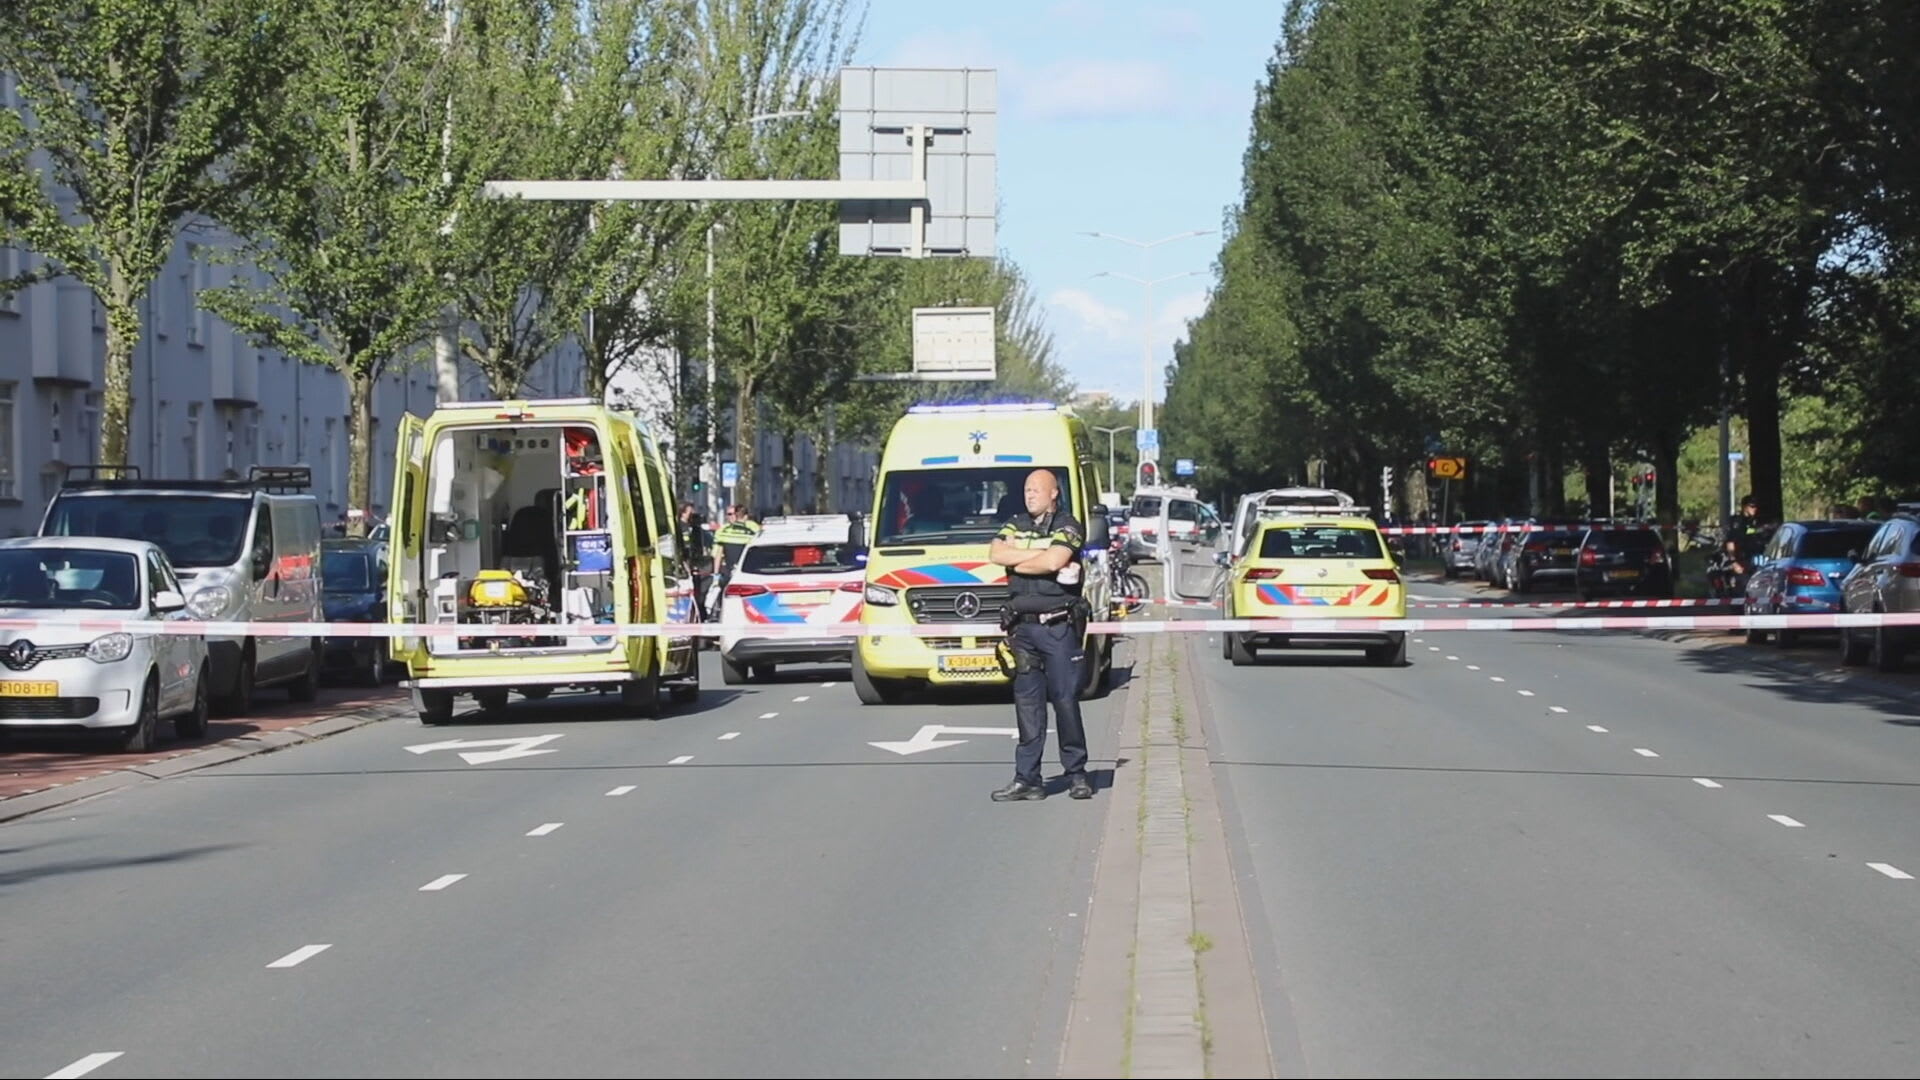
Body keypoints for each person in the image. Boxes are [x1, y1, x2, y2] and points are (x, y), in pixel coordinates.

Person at [987, 469, 1093, 802]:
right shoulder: (1014, 523)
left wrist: (1026, 559)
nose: (1029, 495)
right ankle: (1027, 779)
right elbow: (995, 554)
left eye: (1036, 490)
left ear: (1053, 493)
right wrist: (1039, 558)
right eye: (1027, 490)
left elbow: (1056, 560)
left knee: (1065, 701)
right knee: (1028, 705)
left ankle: (1076, 773)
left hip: (1058, 627)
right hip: (1024, 629)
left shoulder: (1068, 525)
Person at [710, 504, 760, 613]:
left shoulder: (727, 531)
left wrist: (716, 575)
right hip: (739, 571)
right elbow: (717, 554)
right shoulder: (751, 531)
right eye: (729, 514)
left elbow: (718, 554)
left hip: (738, 571)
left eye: (733, 514)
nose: (731, 517)